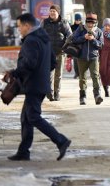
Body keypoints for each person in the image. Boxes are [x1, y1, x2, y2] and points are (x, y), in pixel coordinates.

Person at [5, 13, 72, 161]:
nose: (19, 30)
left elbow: (29, 64)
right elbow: (53, 63)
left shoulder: (31, 40)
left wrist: (14, 73)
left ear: (27, 26)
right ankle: (24, 151)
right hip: (40, 84)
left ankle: (61, 140)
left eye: (19, 27)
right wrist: (42, 74)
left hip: (34, 85)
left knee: (33, 117)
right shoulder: (44, 38)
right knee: (26, 117)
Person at [72, 12, 104, 105]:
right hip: (81, 56)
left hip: (93, 57)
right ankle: (82, 97)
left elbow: (101, 45)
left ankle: (97, 95)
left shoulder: (98, 31)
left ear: (95, 23)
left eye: (92, 23)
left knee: (95, 75)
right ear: (86, 22)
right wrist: (84, 37)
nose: (90, 24)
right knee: (82, 77)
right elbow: (74, 40)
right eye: (88, 22)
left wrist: (93, 40)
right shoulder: (81, 29)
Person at [41, 5, 72, 101]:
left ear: (58, 12)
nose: (52, 13)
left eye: (54, 11)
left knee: (58, 74)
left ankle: (56, 93)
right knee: (49, 73)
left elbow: (70, 35)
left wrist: (66, 46)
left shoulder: (64, 23)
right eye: (51, 11)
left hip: (60, 52)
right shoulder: (44, 22)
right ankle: (49, 92)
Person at [70, 13, 82, 79]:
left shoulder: (82, 27)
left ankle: (81, 73)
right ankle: (76, 73)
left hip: (81, 45)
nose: (78, 21)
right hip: (74, 45)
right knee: (75, 60)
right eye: (76, 19)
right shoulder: (72, 27)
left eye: (79, 19)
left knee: (81, 60)